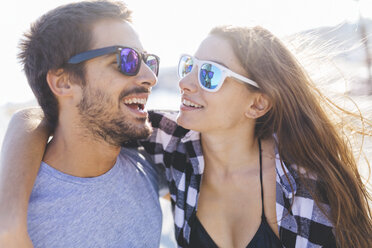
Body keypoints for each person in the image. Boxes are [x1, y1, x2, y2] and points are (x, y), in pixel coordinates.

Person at [1, 25, 371, 248]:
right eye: (189, 66)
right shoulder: (171, 146)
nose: (185, 83)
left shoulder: (304, 187)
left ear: (257, 104)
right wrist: (11, 220)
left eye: (209, 75)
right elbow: (41, 117)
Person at [0, 1, 167, 247]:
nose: (150, 78)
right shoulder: (25, 215)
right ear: (64, 82)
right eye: (126, 60)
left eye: (148, 61)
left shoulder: (149, 160)